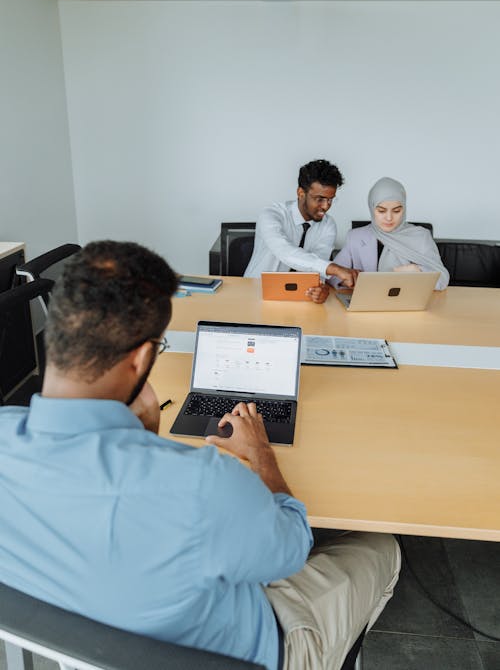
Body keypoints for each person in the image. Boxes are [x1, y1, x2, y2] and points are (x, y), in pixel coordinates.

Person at [0, 240, 400, 670]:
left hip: (84, 641)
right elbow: (290, 550)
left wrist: (144, 439)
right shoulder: (201, 484)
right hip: (258, 650)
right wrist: (262, 454)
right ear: (140, 359)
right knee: (381, 547)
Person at [244, 159, 359, 303]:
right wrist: (334, 269)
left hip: (301, 297)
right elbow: (284, 251)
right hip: (256, 294)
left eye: (330, 200)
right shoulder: (271, 215)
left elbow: (317, 269)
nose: (325, 206)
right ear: (300, 193)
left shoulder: (328, 225)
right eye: (319, 199)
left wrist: (320, 288)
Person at [330, 176, 449, 290]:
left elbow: (442, 279)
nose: (389, 218)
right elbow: (332, 275)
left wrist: (418, 271)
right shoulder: (356, 237)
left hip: (408, 306)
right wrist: (347, 280)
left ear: (404, 209)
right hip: (367, 306)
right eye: (381, 211)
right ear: (372, 208)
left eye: (396, 211)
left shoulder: (421, 236)